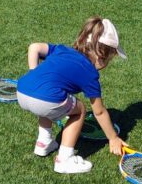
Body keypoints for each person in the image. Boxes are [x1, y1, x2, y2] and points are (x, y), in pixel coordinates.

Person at [15, 16, 126, 175]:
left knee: (52, 96)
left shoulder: (61, 49)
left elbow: (34, 47)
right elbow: (99, 111)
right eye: (109, 59)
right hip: (45, 99)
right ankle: (64, 160)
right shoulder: (89, 73)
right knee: (79, 110)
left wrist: (34, 72)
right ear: (101, 55)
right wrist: (113, 138)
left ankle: (44, 142)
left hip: (22, 90)